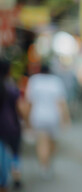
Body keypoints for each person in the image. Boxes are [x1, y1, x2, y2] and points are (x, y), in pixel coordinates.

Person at [25, 63, 71, 178]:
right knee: (52, 142)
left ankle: (43, 166)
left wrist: (27, 121)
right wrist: (66, 119)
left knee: (42, 143)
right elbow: (62, 103)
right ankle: (48, 163)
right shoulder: (56, 81)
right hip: (54, 117)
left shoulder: (34, 80)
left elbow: (30, 103)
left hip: (38, 116)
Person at [0, 58, 23, 191]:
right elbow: (20, 109)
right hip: (10, 127)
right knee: (14, 153)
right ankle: (16, 177)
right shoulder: (11, 88)